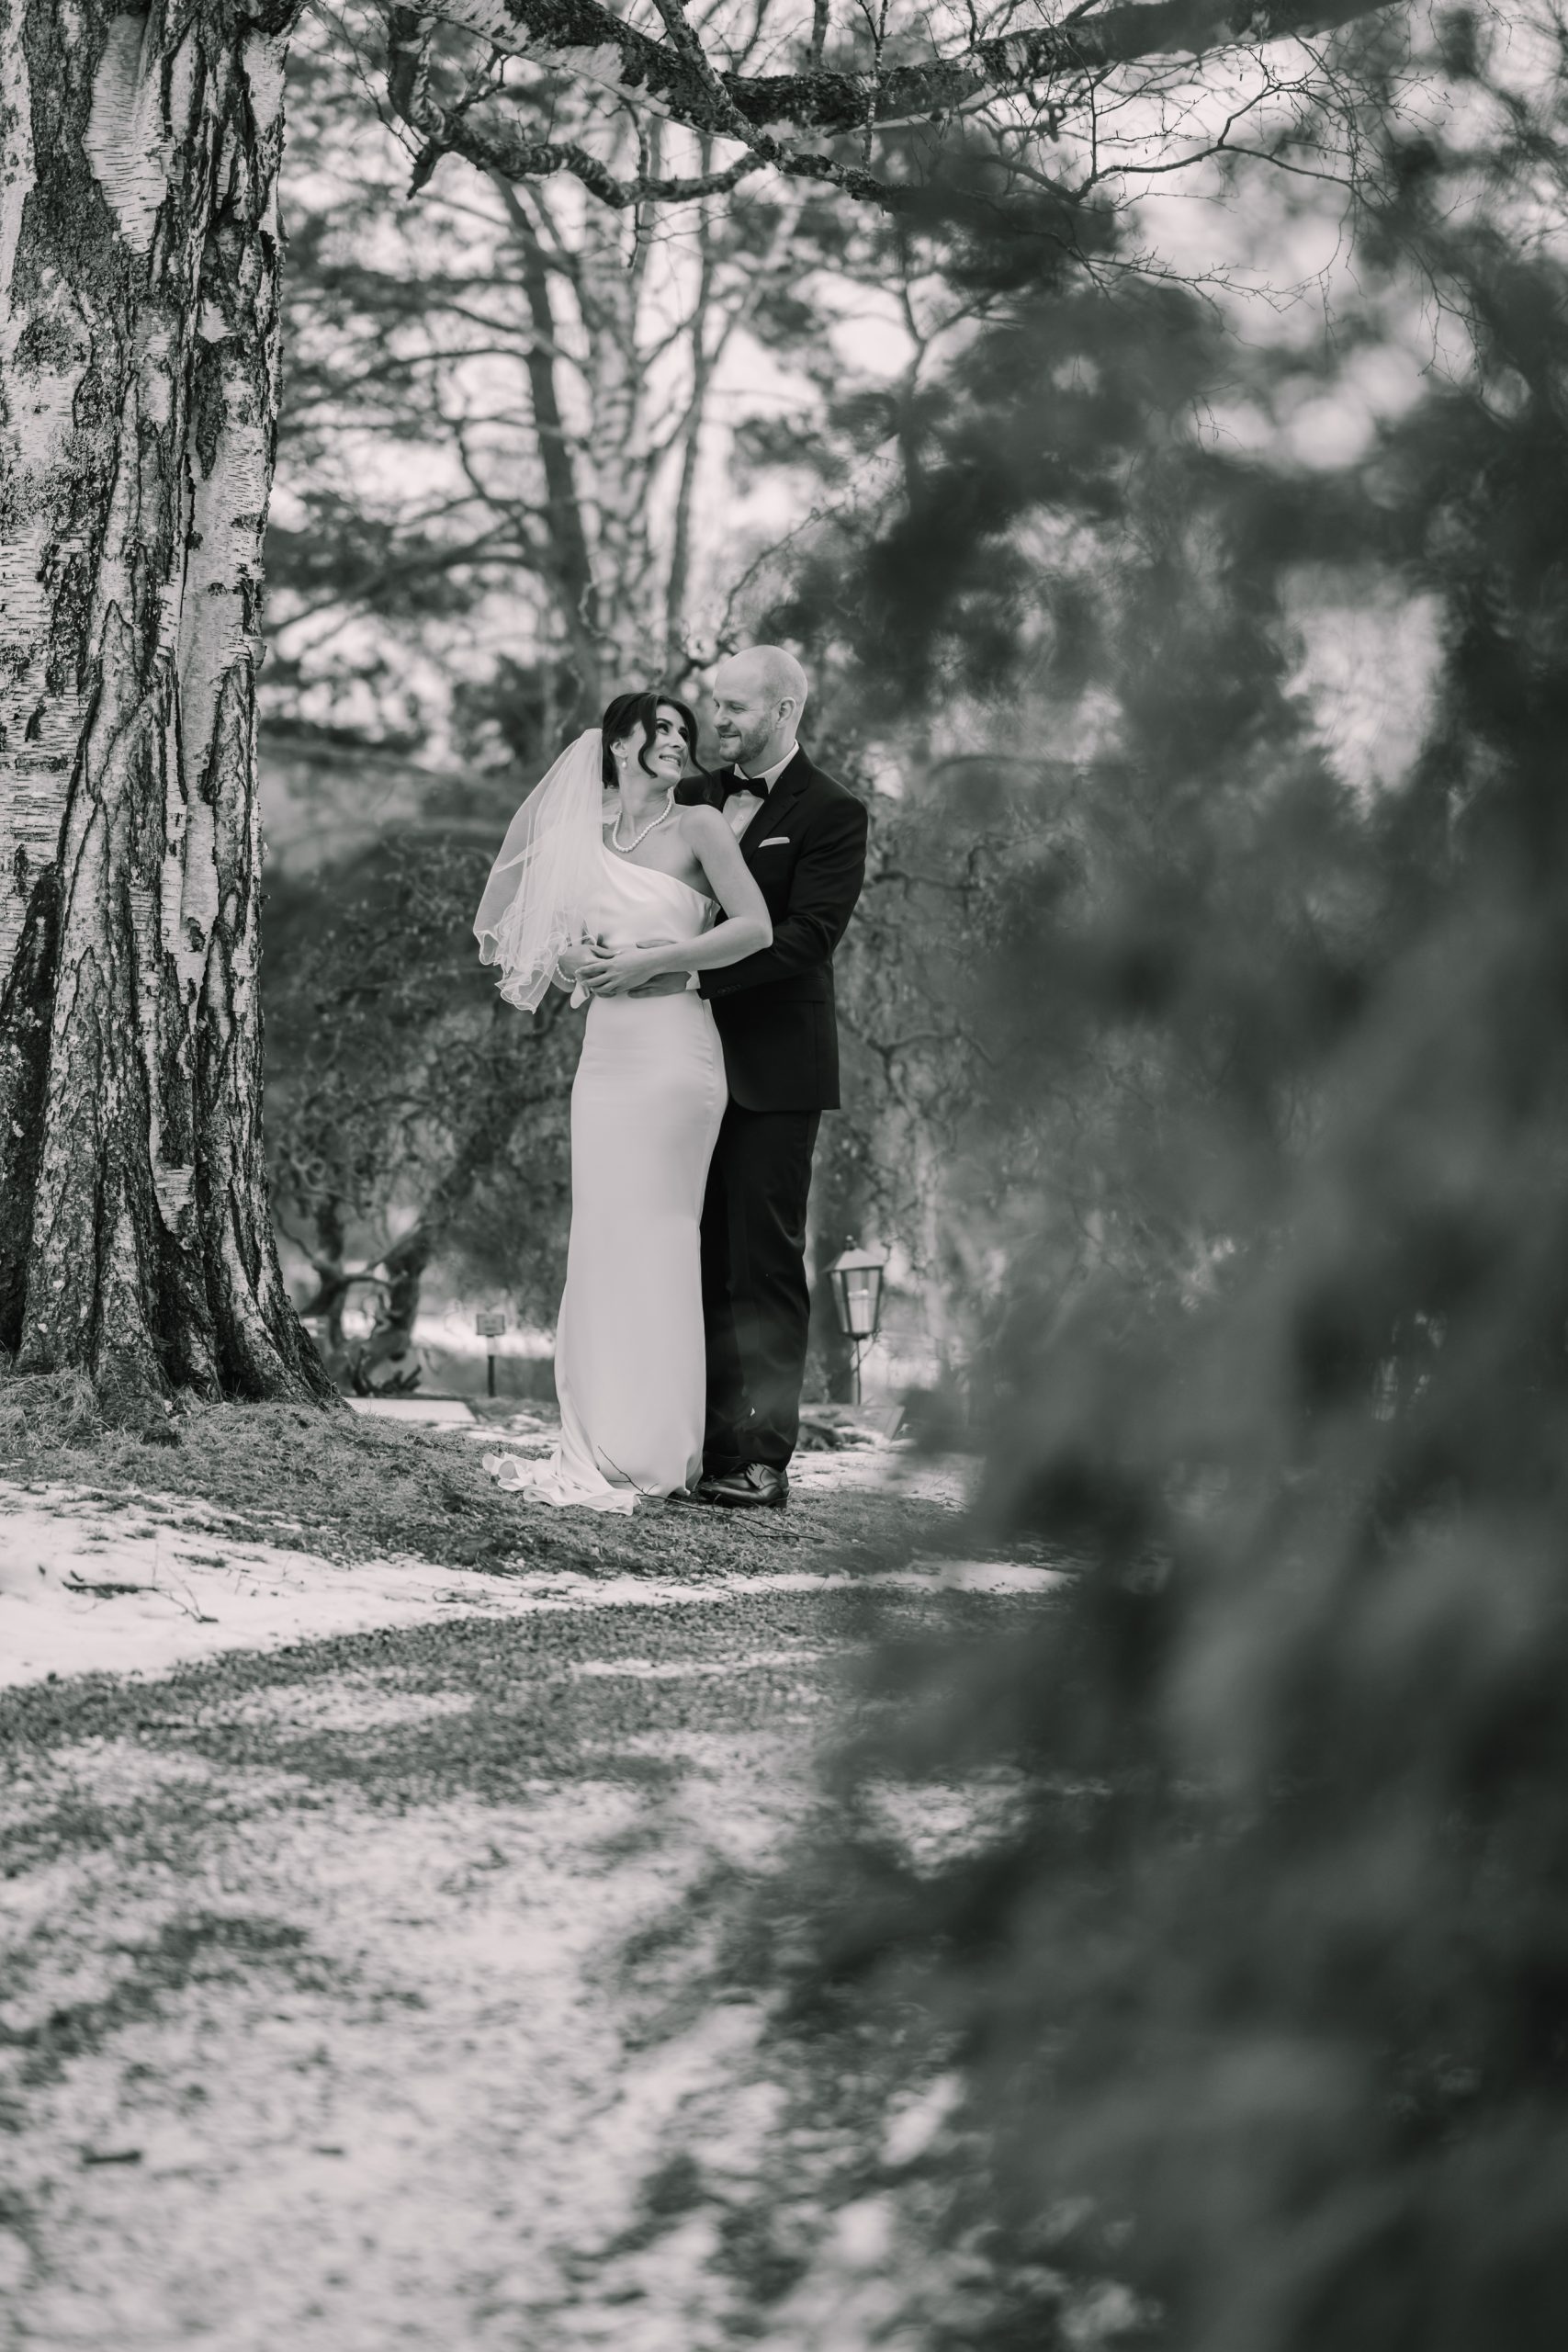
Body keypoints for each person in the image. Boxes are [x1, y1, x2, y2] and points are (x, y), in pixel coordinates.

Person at [472, 692, 772, 1510]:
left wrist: (654, 961)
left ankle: (653, 1447)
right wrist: (580, 961)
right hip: (605, 1055)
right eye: (661, 729)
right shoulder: (584, 834)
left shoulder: (700, 826)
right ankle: (597, 1432)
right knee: (602, 1236)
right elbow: (551, 943)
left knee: (660, 1236)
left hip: (675, 1050)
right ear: (618, 743)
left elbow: (753, 928)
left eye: (683, 732)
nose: (678, 741)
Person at [665, 647, 870, 1510]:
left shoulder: (832, 811)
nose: (716, 720)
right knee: (697, 1258)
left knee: (763, 1265)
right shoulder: (690, 795)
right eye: (715, 703)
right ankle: (706, 1444)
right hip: (677, 1061)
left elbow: (809, 936)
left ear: (784, 712)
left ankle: (762, 1458)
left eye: (736, 708)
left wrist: (687, 972)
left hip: (774, 1071)